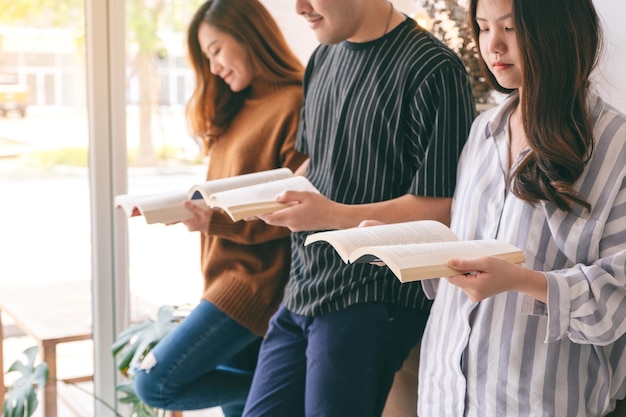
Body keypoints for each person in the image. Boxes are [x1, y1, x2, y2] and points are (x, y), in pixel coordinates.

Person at [242, 1, 476, 416]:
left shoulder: (433, 68)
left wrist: (329, 215)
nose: (299, 8)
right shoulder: (322, 57)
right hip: (303, 285)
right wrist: (261, 196)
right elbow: (318, 163)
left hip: (369, 296)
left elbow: (442, 210)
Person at [417, 0, 626, 415]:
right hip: (445, 393)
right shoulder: (483, 131)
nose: (492, 45)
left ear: (558, 31)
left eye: (510, 29)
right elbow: (465, 252)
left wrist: (519, 280)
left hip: (538, 401)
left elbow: (617, 298)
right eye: (482, 27)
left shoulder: (614, 144)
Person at [132, 1, 308, 416]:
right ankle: (282, 393)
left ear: (249, 36)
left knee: (154, 383)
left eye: (216, 50)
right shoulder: (236, 108)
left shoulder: (295, 103)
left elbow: (296, 207)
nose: (213, 68)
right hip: (221, 279)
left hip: (253, 286)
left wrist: (217, 221)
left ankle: (290, 391)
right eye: (206, 57)